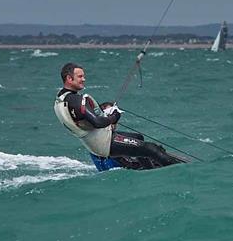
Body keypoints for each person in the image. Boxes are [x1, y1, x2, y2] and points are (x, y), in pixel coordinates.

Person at [54, 62, 186, 171]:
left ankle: (148, 171)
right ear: (69, 79)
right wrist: (114, 116)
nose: (84, 79)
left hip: (97, 142)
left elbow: (84, 119)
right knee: (152, 149)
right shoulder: (75, 100)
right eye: (80, 76)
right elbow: (98, 122)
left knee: (138, 138)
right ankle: (180, 173)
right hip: (105, 143)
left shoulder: (61, 98)